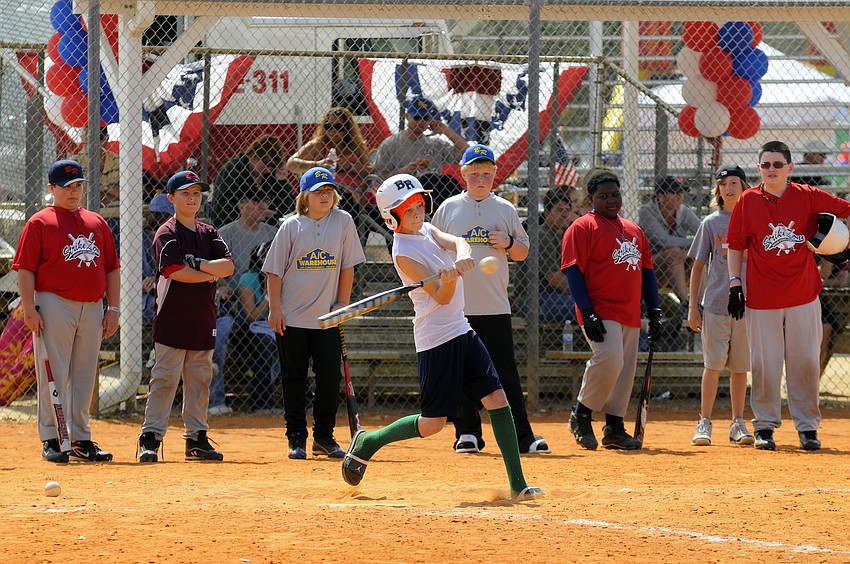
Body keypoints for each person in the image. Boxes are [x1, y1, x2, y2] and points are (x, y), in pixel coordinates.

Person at [341, 173, 543, 501]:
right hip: (437, 339)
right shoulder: (403, 252)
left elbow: (456, 241)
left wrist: (462, 253)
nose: (417, 212)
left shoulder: (425, 229)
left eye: (419, 204)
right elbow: (442, 296)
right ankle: (369, 442)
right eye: (408, 209)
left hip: (462, 330)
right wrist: (448, 278)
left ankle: (517, 484)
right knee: (433, 424)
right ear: (391, 216)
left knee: (497, 399)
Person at [727, 140, 850, 451]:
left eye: (777, 164)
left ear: (790, 168)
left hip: (803, 294)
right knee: (765, 363)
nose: (771, 170)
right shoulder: (748, 201)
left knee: (805, 361)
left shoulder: (807, 196)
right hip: (762, 296)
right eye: (765, 165)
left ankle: (807, 427)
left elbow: (846, 209)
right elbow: (736, 246)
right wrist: (734, 284)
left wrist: (841, 245)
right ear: (758, 168)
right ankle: (765, 426)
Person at [431, 144, 549, 455]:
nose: (481, 179)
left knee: (504, 372)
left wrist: (509, 242)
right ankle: (467, 432)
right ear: (463, 175)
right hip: (458, 307)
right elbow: (434, 251)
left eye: (486, 173)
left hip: (495, 305)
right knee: (461, 370)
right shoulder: (449, 208)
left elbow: (523, 252)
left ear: (495, 175)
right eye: (474, 174)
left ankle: (522, 436)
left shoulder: (505, 209)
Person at [12, 159, 120, 463]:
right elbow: (25, 270)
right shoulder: (40, 222)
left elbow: (112, 268)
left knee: (85, 373)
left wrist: (113, 308)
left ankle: (80, 438)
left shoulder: (96, 222)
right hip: (53, 302)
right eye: (67, 187)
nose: (74, 192)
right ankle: (52, 437)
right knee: (53, 371)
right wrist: (29, 308)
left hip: (93, 305)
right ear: (52, 189)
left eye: (78, 186)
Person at [263, 167, 365, 459]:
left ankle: (324, 437)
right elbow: (274, 272)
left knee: (329, 378)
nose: (325, 195)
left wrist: (341, 304)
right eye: (318, 191)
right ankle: (296, 437)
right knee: (293, 378)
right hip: (292, 317)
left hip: (327, 319)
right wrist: (275, 308)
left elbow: (348, 265)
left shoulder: (343, 222)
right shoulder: (291, 227)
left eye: (329, 191)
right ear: (304, 197)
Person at [137, 170, 235, 463]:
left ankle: (196, 439)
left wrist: (202, 265)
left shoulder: (209, 232)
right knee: (165, 378)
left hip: (203, 318)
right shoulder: (167, 232)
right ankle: (150, 438)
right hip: (172, 317)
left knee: (200, 379)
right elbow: (176, 271)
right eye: (185, 194)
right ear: (171, 199)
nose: (192, 198)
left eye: (196, 194)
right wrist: (208, 274)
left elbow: (228, 267)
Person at [563, 167, 662, 451]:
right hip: (600, 309)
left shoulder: (634, 230)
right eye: (603, 196)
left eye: (615, 194)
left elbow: (647, 273)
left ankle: (614, 428)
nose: (611, 200)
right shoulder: (582, 227)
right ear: (590, 199)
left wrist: (654, 310)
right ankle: (581, 414)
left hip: (630, 310)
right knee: (610, 359)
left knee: (625, 369)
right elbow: (572, 271)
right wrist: (587, 311)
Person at [687, 166, 753, 447]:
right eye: (723, 183)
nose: (728, 188)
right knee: (712, 365)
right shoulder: (711, 222)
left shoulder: (754, 220)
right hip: (715, 304)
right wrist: (692, 307)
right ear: (717, 190)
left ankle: (738, 421)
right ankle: (705, 421)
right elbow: (698, 266)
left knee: (740, 367)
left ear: (744, 187)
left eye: (734, 183)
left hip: (748, 305)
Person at [373, 95, 468, 210]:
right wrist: (403, 172)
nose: (421, 122)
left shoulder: (436, 143)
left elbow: (467, 153)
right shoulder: (390, 144)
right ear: (407, 116)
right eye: (417, 117)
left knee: (447, 181)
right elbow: (376, 181)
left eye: (425, 118)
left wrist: (445, 130)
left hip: (433, 194)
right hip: (403, 194)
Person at [286, 107, 375, 210]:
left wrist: (349, 166)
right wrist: (318, 164)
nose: (333, 131)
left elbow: (370, 172)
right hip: (329, 193)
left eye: (338, 127)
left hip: (356, 195)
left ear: (347, 129)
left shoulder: (356, 147)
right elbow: (291, 163)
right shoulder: (318, 145)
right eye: (328, 126)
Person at [519, 186, 581, 323]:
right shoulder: (543, 235)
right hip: (534, 299)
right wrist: (584, 292)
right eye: (559, 210)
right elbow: (555, 279)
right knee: (590, 306)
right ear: (547, 213)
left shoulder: (563, 235)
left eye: (567, 210)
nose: (565, 214)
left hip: (554, 297)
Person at [638, 176, 700, 312]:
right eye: (674, 192)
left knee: (698, 256)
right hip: (651, 268)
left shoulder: (683, 211)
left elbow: (703, 233)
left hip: (675, 268)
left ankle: (699, 305)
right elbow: (664, 240)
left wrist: (692, 249)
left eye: (681, 192)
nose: (680, 196)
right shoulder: (646, 211)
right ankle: (686, 305)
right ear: (661, 196)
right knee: (674, 252)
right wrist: (692, 244)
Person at [210, 134, 294, 227]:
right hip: (234, 228)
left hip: (265, 230)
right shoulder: (232, 170)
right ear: (254, 156)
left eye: (273, 166)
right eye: (266, 163)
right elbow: (221, 209)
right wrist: (254, 212)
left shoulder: (271, 175)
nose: (268, 169)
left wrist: (282, 182)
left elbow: (288, 208)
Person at [238, 242, 280, 411]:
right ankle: (262, 401)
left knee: (294, 341)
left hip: (278, 325)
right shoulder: (248, 278)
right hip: (250, 330)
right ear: (261, 259)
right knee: (265, 343)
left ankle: (304, 401)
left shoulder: (286, 277)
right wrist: (271, 295)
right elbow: (252, 317)